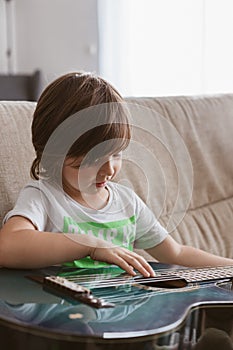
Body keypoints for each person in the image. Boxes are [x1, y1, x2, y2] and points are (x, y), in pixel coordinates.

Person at [0, 72, 232, 277]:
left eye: (117, 154)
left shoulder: (126, 203)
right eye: (92, 160)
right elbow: (8, 246)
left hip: (120, 319)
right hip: (64, 321)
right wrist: (89, 245)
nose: (109, 170)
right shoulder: (43, 197)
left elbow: (176, 253)